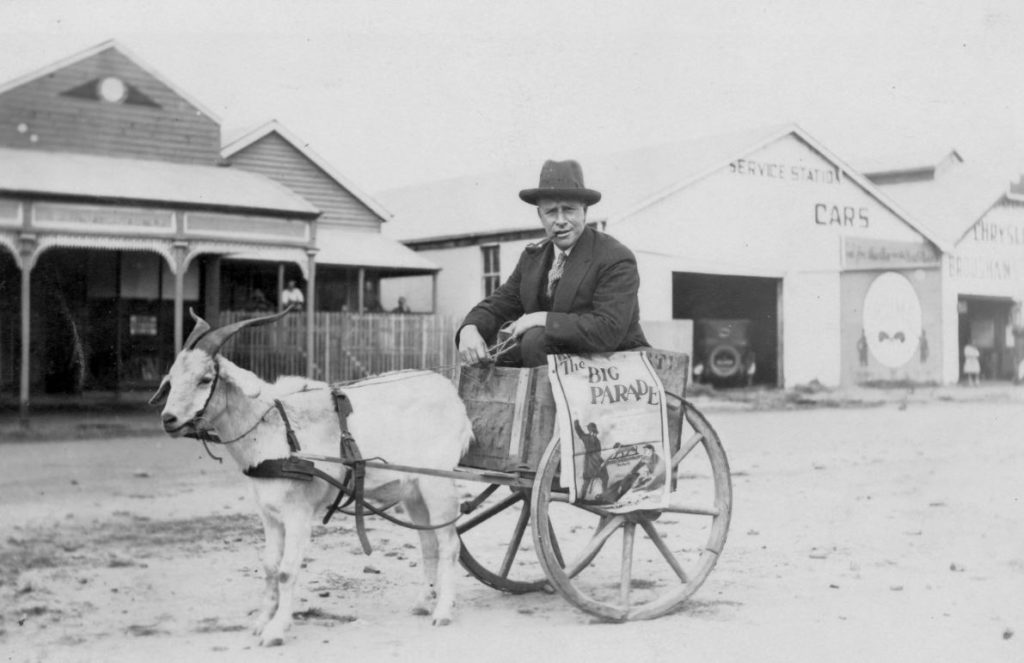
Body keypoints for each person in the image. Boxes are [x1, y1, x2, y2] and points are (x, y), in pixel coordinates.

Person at [457, 159, 648, 367]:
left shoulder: (615, 257)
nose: (560, 220)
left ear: (585, 212)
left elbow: (608, 330)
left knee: (534, 339)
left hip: (616, 369)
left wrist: (540, 318)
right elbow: (499, 304)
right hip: (556, 366)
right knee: (502, 344)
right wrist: (470, 328)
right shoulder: (533, 258)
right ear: (540, 216)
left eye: (569, 210)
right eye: (551, 212)